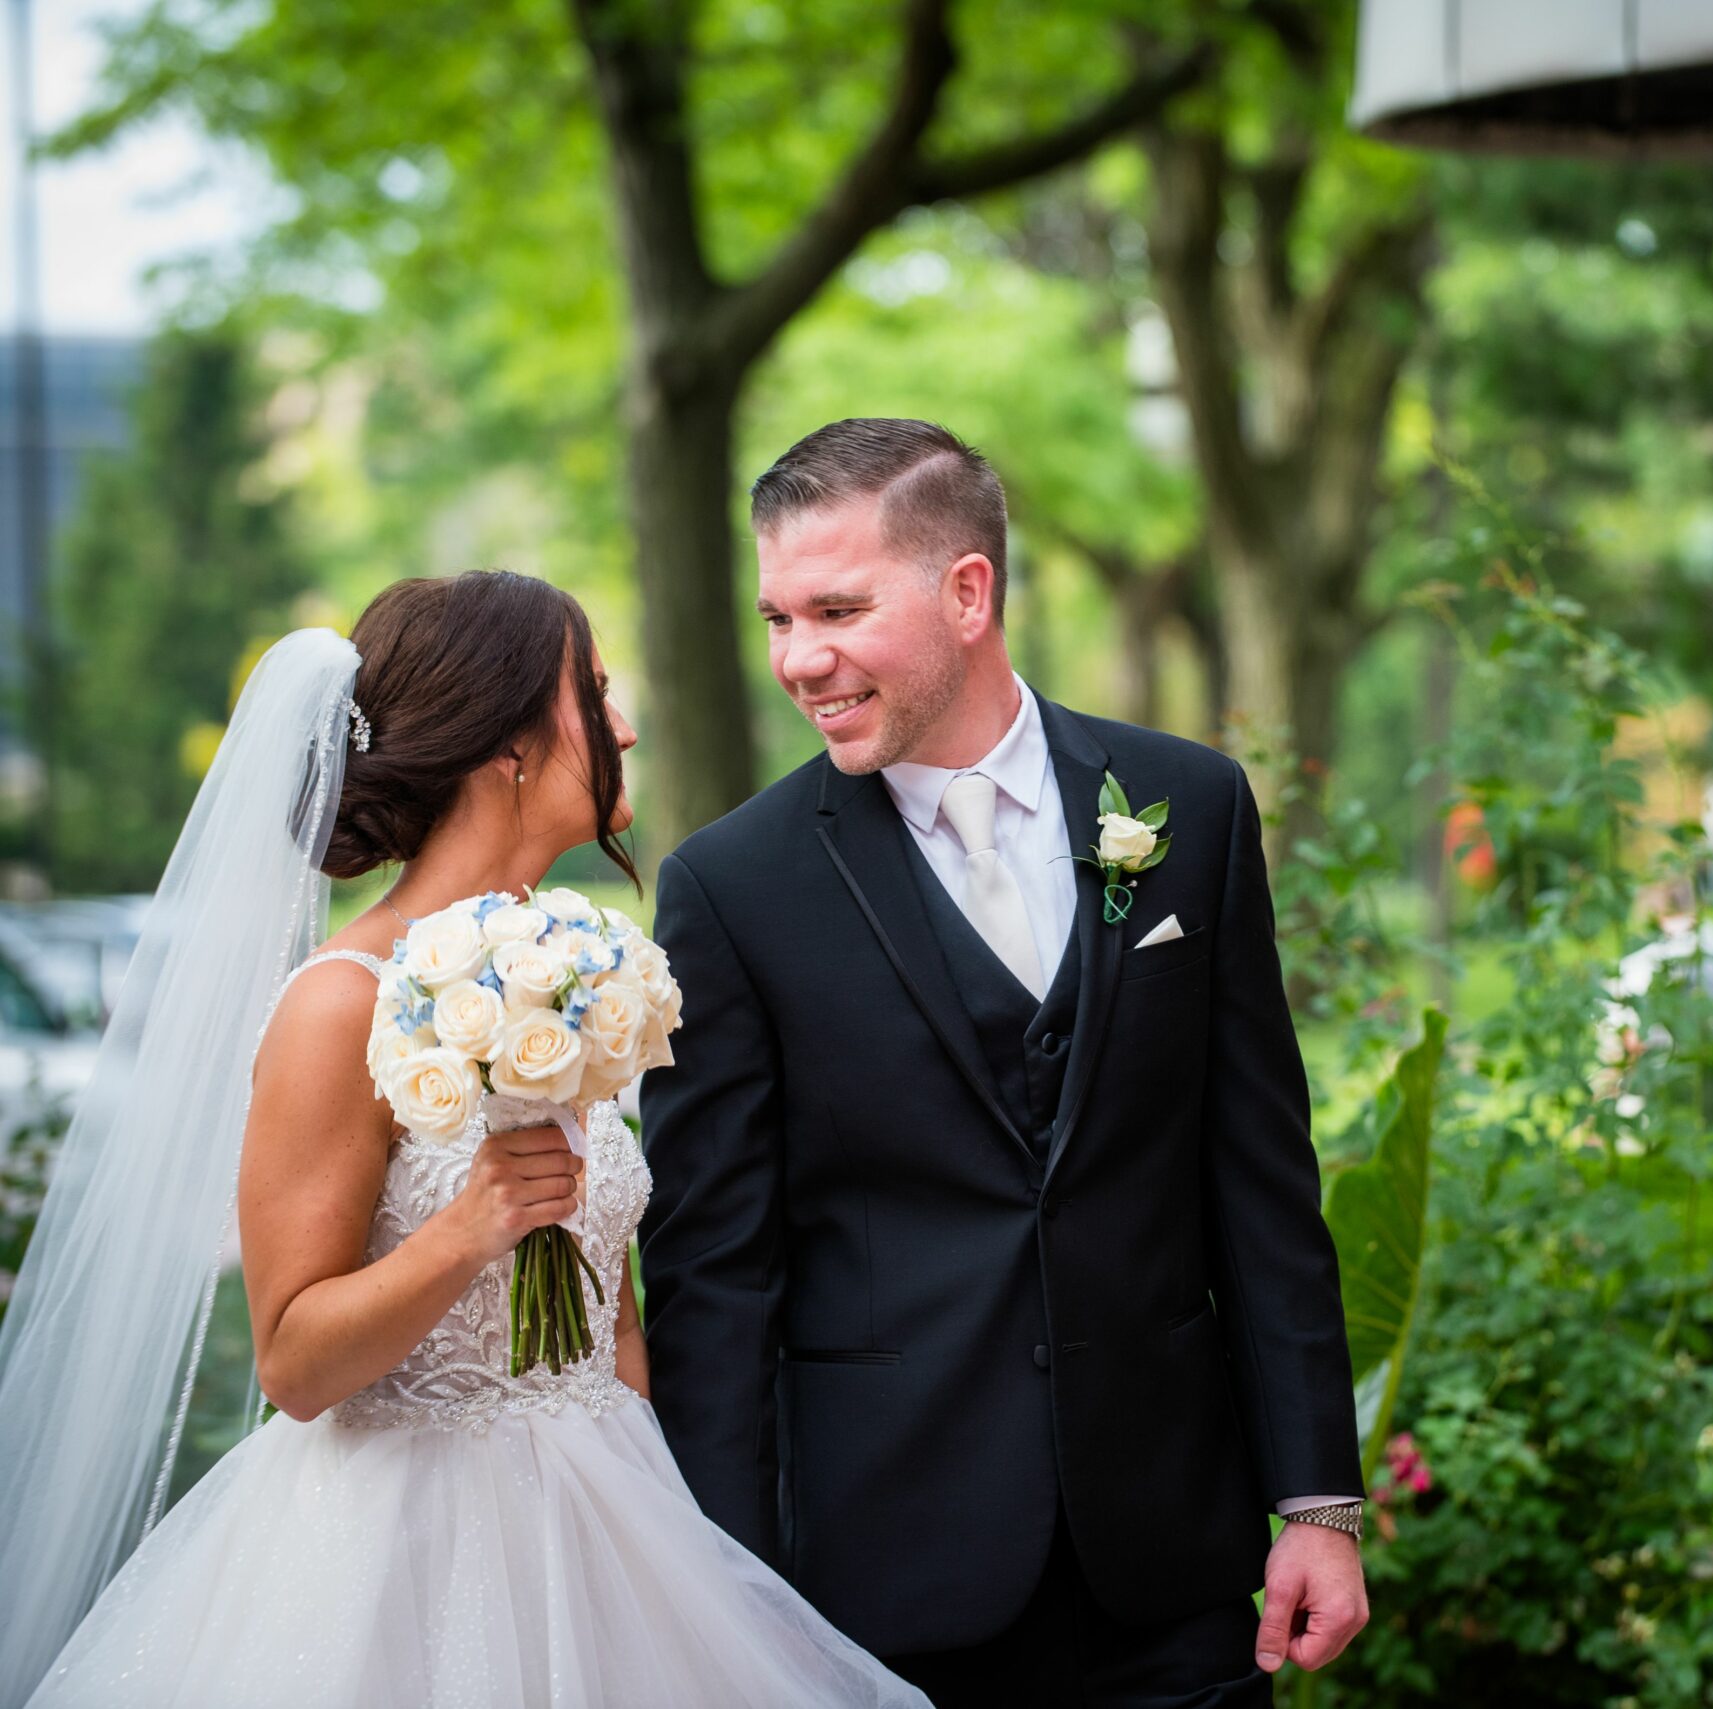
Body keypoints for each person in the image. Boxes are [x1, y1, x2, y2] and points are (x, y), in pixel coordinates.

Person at [0, 572, 929, 1709]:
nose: (625, 724)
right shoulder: (339, 1003)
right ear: (510, 746)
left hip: (613, 1523)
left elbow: (609, 1321)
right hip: (402, 1562)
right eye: (592, 691)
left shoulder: (590, 972)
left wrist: (679, 1542)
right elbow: (294, 1363)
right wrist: (467, 1229)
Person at [640, 419, 1369, 1708]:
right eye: (777, 618)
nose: (799, 660)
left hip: (1171, 1566)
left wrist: (1317, 1500)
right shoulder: (732, 886)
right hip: (883, 1586)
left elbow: (1258, 1175)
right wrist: (726, 1599)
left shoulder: (1187, 805)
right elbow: (714, 1279)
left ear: (967, 591)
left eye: (838, 609)